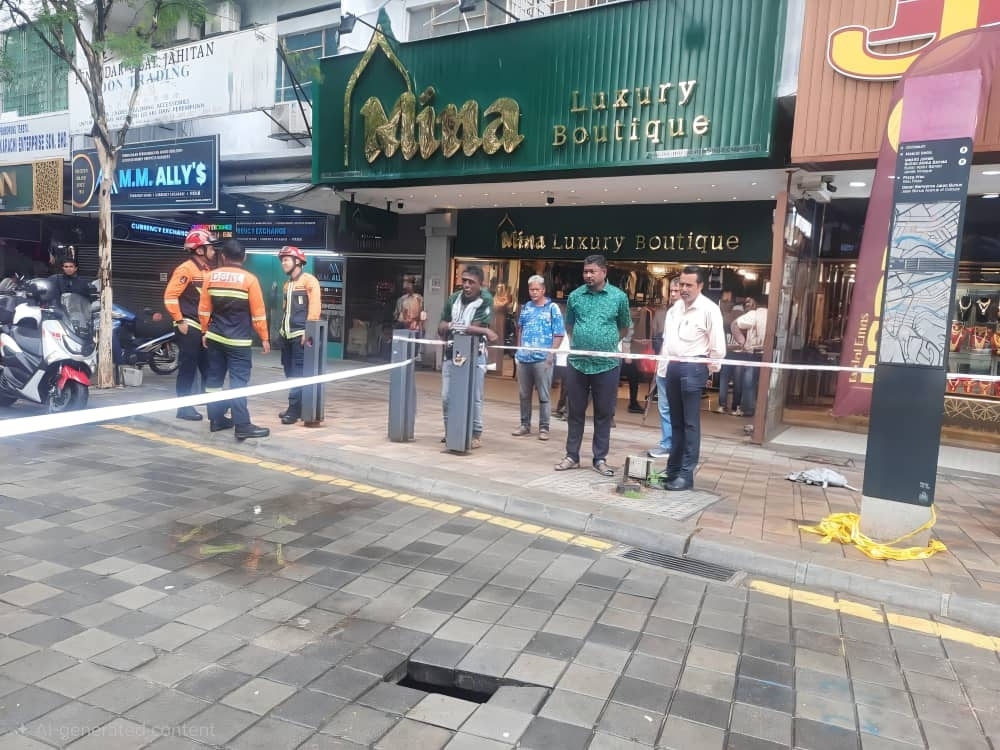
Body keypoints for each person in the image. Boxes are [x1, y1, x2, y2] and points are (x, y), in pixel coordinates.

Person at [554, 254, 631, 477]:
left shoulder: (619, 297)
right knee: (574, 411)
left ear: (604, 272)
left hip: (607, 364)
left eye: (592, 271)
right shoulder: (575, 296)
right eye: (585, 271)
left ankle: (600, 458)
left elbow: (624, 327)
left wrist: (606, 341)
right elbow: (570, 325)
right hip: (578, 363)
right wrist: (583, 340)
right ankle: (572, 456)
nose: (588, 275)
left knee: (604, 413)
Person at [660, 266, 726, 491]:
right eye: (681, 284)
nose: (684, 289)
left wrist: (709, 370)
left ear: (700, 286)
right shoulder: (674, 309)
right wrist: (663, 368)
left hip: (694, 366)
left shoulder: (709, 309)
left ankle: (686, 475)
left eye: (689, 285)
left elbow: (717, 346)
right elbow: (667, 342)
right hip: (673, 365)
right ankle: (673, 470)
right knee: (676, 422)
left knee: (690, 423)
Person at [198, 239, 270, 440]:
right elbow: (258, 313)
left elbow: (204, 309)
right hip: (239, 342)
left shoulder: (210, 277)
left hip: (215, 337)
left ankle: (216, 419)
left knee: (214, 381)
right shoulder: (250, 280)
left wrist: (204, 331)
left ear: (223, 257)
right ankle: (242, 425)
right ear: (244, 258)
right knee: (238, 381)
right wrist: (264, 337)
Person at [438, 265, 497, 449]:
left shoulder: (485, 299)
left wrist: (453, 326)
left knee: (474, 396)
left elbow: (472, 329)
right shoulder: (453, 298)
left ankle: (475, 433)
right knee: (446, 396)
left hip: (475, 353)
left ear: (480, 284)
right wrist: (485, 331)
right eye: (464, 281)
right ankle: (450, 431)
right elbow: (441, 327)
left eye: (471, 282)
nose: (466, 285)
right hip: (451, 352)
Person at [164, 229, 218, 421]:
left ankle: (214, 406)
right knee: (188, 368)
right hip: (189, 325)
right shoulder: (185, 269)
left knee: (208, 367)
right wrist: (180, 321)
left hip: (203, 328)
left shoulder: (206, 270)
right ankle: (184, 408)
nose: (213, 251)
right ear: (200, 250)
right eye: (210, 248)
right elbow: (170, 296)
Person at [512, 275, 565, 441]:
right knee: (524, 394)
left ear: (543, 290)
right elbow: (520, 329)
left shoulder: (552, 308)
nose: (534, 292)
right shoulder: (526, 307)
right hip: (524, 358)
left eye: (537, 289)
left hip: (543, 359)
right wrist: (518, 351)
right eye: (531, 289)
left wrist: (551, 354)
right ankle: (524, 425)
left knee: (544, 395)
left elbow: (559, 333)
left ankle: (544, 427)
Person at [276, 246, 321, 425]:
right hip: (286, 335)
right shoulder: (287, 284)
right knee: (289, 372)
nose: (283, 263)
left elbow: (315, 307)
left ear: (298, 261)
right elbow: (285, 310)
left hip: (300, 335)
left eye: (286, 260)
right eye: (282, 260)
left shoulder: (309, 281)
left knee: (297, 373)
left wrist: (308, 331)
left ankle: (294, 410)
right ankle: (296, 406)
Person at [648, 277, 682, 459]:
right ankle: (668, 443)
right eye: (672, 291)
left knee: (679, 409)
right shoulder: (670, 313)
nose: (673, 294)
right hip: (664, 365)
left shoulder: (697, 312)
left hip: (681, 368)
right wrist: (659, 364)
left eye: (677, 291)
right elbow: (666, 342)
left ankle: (677, 445)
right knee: (665, 407)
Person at [731, 296, 768, 418]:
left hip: (754, 352)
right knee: (765, 384)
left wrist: (742, 343)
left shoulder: (754, 314)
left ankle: (748, 409)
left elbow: (734, 324)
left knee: (749, 382)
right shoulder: (775, 314)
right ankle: (764, 411)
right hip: (769, 353)